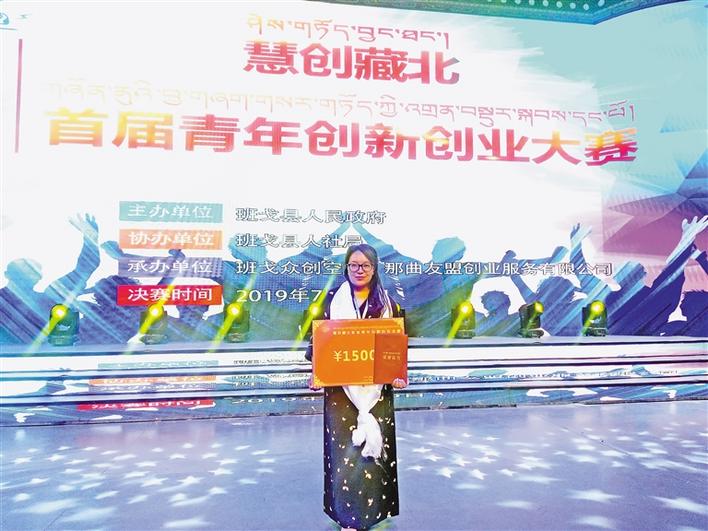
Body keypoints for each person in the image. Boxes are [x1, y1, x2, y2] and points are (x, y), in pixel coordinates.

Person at [306, 244, 406, 530]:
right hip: (341, 391)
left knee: (376, 452)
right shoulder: (330, 301)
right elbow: (318, 342)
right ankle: (347, 517)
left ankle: (376, 514)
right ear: (346, 267)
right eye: (353, 265)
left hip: (377, 392)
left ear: (374, 269)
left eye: (365, 265)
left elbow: (396, 345)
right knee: (344, 455)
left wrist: (398, 374)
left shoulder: (388, 304)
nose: (359, 270)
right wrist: (317, 373)